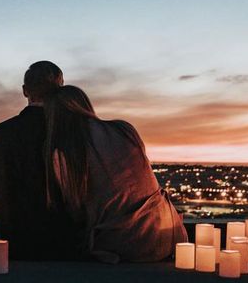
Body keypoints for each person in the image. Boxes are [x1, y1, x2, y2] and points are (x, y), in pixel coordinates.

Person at [43, 85, 188, 263]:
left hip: (125, 245)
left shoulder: (65, 154)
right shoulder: (124, 129)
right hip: (169, 235)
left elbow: (76, 210)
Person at [0, 61, 80, 259]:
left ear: (25, 91)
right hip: (59, 242)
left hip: (7, 239)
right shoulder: (71, 132)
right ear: (60, 90)